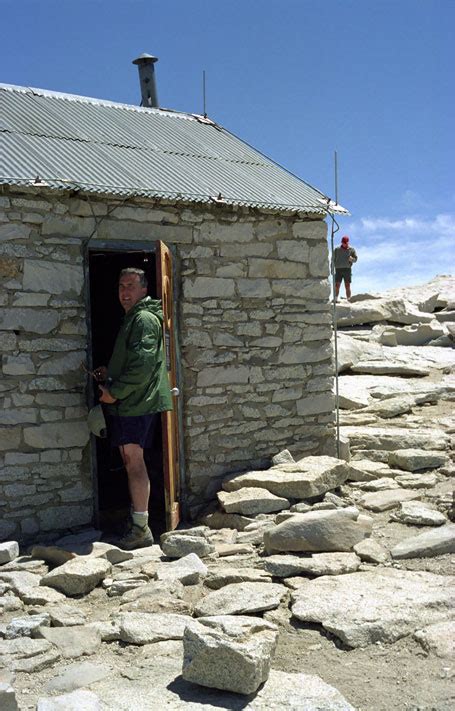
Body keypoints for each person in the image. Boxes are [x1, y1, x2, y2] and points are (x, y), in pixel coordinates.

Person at [95, 268, 172, 550]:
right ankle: (138, 520)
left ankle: (141, 528)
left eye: (131, 286)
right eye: (120, 286)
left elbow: (142, 367)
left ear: (143, 290)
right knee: (131, 460)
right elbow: (133, 362)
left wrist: (114, 392)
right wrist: (110, 373)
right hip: (134, 400)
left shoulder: (142, 319)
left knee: (133, 460)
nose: (124, 292)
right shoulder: (133, 319)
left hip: (136, 402)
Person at [333, 235, 358, 301]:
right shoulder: (337, 249)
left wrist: (352, 259)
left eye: (345, 243)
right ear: (341, 242)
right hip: (338, 269)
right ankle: (335, 299)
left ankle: (348, 299)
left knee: (347, 285)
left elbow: (355, 259)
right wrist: (332, 269)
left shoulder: (351, 250)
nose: (344, 244)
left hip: (347, 269)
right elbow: (333, 259)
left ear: (348, 242)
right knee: (337, 285)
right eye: (343, 243)